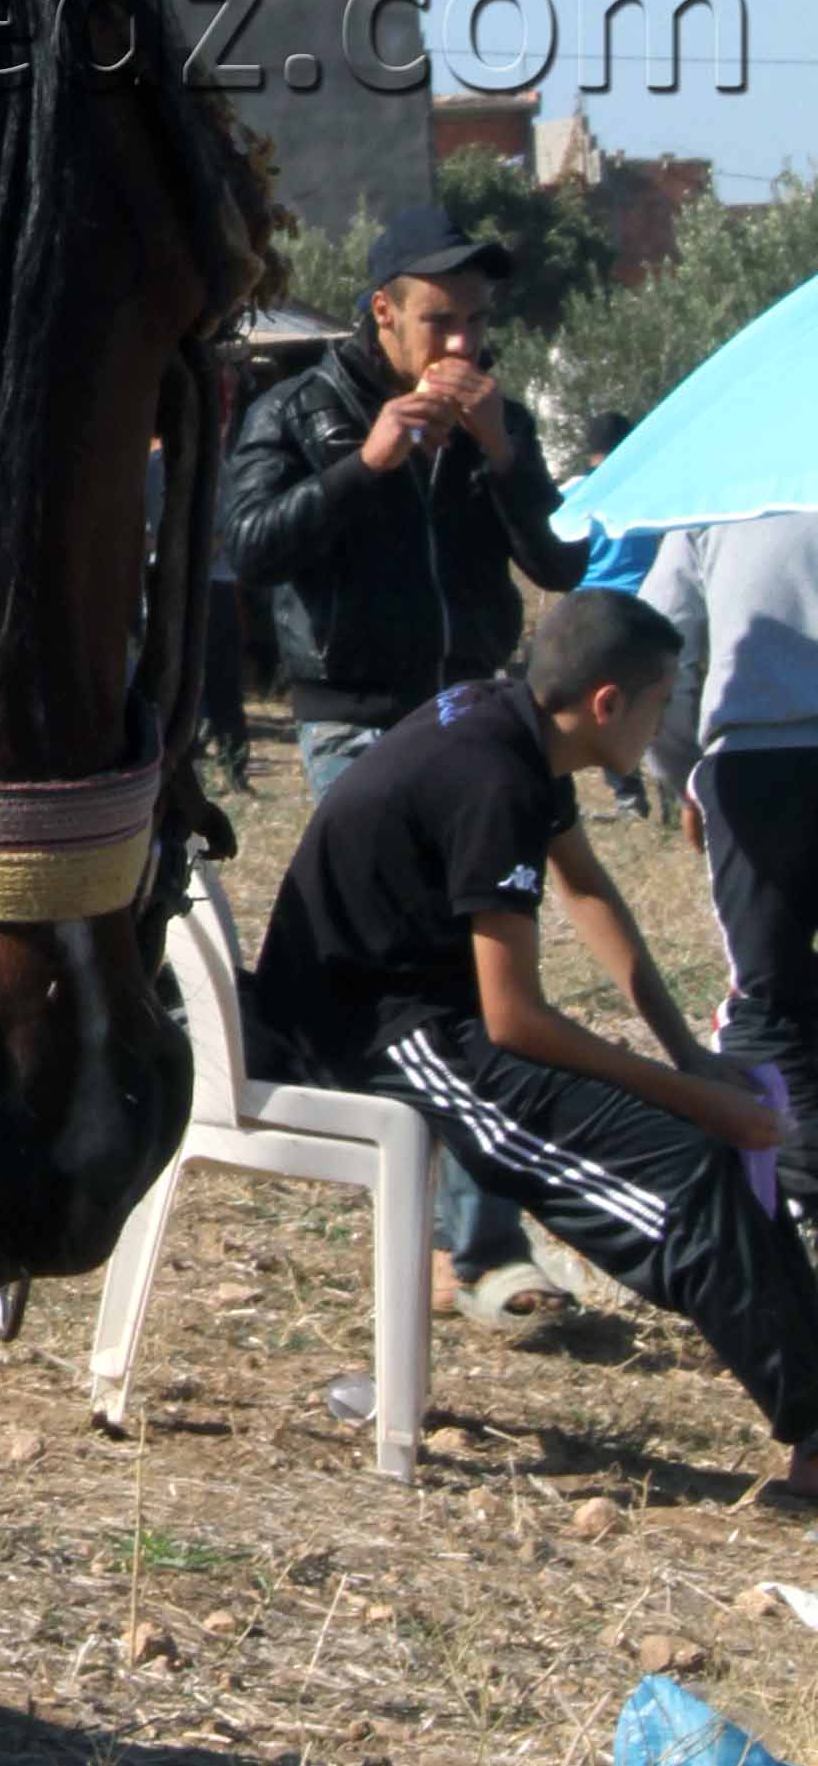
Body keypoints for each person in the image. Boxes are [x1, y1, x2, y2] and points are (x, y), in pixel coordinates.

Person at [245, 589, 818, 1497]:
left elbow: (587, 889)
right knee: (686, 1180)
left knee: (707, 1143)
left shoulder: (513, 725)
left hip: (434, 1010)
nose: (667, 720)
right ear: (607, 704)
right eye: (664, 701)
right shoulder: (495, 778)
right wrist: (693, 1099)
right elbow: (515, 1019)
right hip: (375, 1034)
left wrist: (689, 1057)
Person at [222, 203, 589, 1326]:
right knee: (441, 975)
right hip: (359, 723)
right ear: (380, 313)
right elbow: (244, 547)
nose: (462, 347)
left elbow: (557, 558)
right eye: (440, 321)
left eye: (477, 323)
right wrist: (370, 466)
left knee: (467, 977)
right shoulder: (300, 410)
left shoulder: (499, 420)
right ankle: (479, 1247)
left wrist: (503, 459)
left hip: (474, 717)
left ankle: (453, 1231)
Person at [637, 513, 818, 1221]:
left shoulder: (718, 494)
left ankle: (793, 1183)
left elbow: (660, 640)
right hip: (752, 763)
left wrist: (680, 768)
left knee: (766, 989)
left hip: (755, 766)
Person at [560, 411, 655, 821]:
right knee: (658, 696)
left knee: (604, 707)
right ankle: (678, 786)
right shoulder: (649, 490)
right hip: (648, 601)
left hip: (594, 610)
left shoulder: (574, 493)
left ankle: (628, 795)